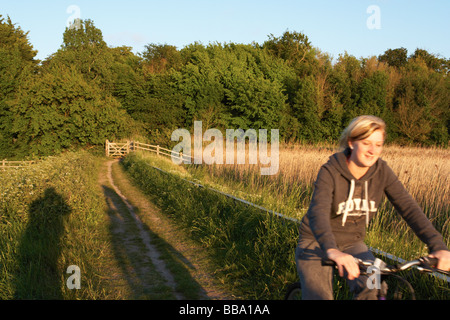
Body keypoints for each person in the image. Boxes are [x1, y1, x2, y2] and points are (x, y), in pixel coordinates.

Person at [295, 115, 450, 300]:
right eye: (367, 143)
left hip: (352, 243)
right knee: (319, 296)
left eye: (378, 144)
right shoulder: (331, 171)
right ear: (352, 142)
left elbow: (409, 209)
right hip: (316, 243)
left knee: (373, 288)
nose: (372, 151)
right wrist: (332, 250)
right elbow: (318, 213)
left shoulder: (382, 172)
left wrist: (437, 246)